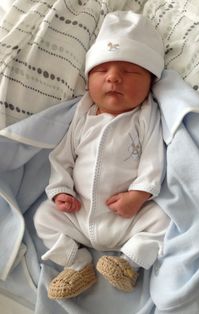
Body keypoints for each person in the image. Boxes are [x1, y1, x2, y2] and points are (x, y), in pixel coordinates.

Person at [34, 10, 170, 300]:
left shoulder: (145, 116)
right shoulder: (83, 115)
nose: (113, 78)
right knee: (43, 217)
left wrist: (139, 195)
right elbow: (62, 158)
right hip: (79, 214)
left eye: (130, 72)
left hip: (130, 218)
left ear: (150, 83)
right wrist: (60, 191)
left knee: (165, 220)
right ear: (88, 80)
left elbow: (153, 160)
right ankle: (76, 263)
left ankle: (128, 263)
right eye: (100, 71)